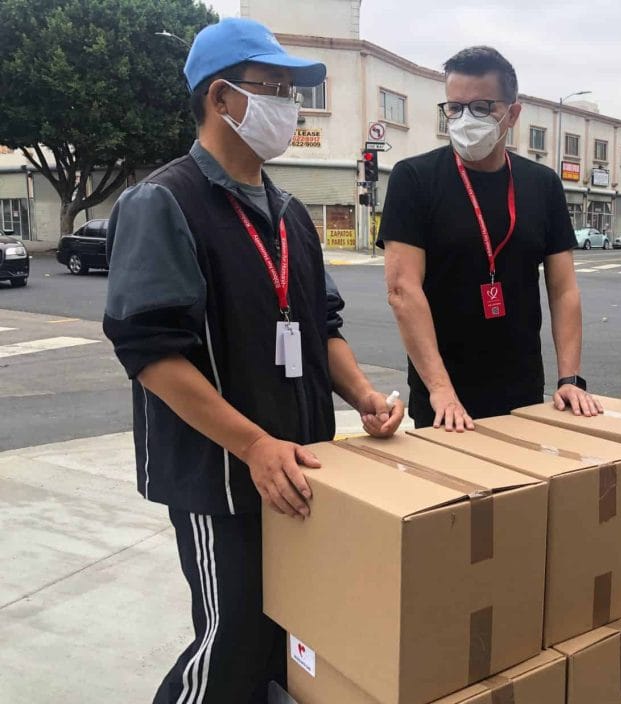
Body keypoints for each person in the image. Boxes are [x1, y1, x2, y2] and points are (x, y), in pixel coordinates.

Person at [102, 18, 404, 703]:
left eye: (293, 93)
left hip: (298, 470)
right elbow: (151, 353)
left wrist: (363, 396)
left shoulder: (289, 214)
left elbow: (321, 327)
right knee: (231, 641)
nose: (290, 109)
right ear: (221, 98)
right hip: (221, 479)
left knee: (284, 642)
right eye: (274, 90)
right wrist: (253, 445)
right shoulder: (165, 202)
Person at [378, 46, 600, 431]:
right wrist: (440, 389)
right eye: (455, 108)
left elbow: (563, 289)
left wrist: (569, 378)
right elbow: (402, 290)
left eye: (482, 108)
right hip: (443, 398)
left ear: (513, 114)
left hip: (522, 389)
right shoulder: (414, 179)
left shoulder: (542, 184)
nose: (466, 119)